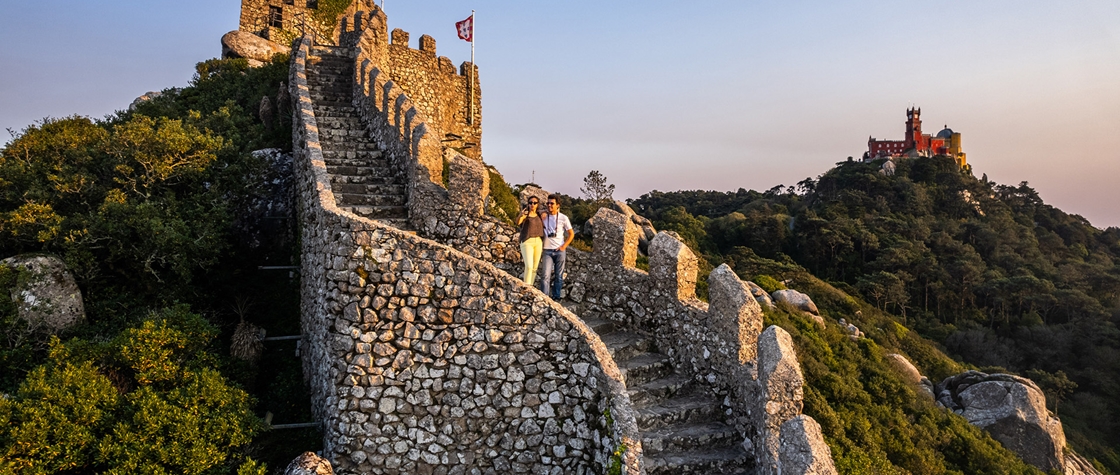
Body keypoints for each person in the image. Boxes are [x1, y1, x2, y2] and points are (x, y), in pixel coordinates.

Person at [539, 194, 574, 300]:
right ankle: (544, 298)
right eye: (548, 203)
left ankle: (556, 297)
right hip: (547, 250)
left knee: (559, 276)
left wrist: (564, 247)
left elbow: (571, 234)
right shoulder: (544, 216)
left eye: (552, 203)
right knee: (545, 276)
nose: (549, 205)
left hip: (559, 250)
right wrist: (541, 212)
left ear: (557, 205)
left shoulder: (563, 218)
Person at [516, 197, 545, 285]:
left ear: (537, 204)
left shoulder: (539, 215)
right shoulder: (525, 214)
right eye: (530, 202)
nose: (532, 204)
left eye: (535, 203)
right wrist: (520, 215)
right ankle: (526, 287)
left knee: (535, 268)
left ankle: (530, 287)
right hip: (527, 241)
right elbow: (518, 222)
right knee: (529, 266)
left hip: (538, 242)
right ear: (528, 204)